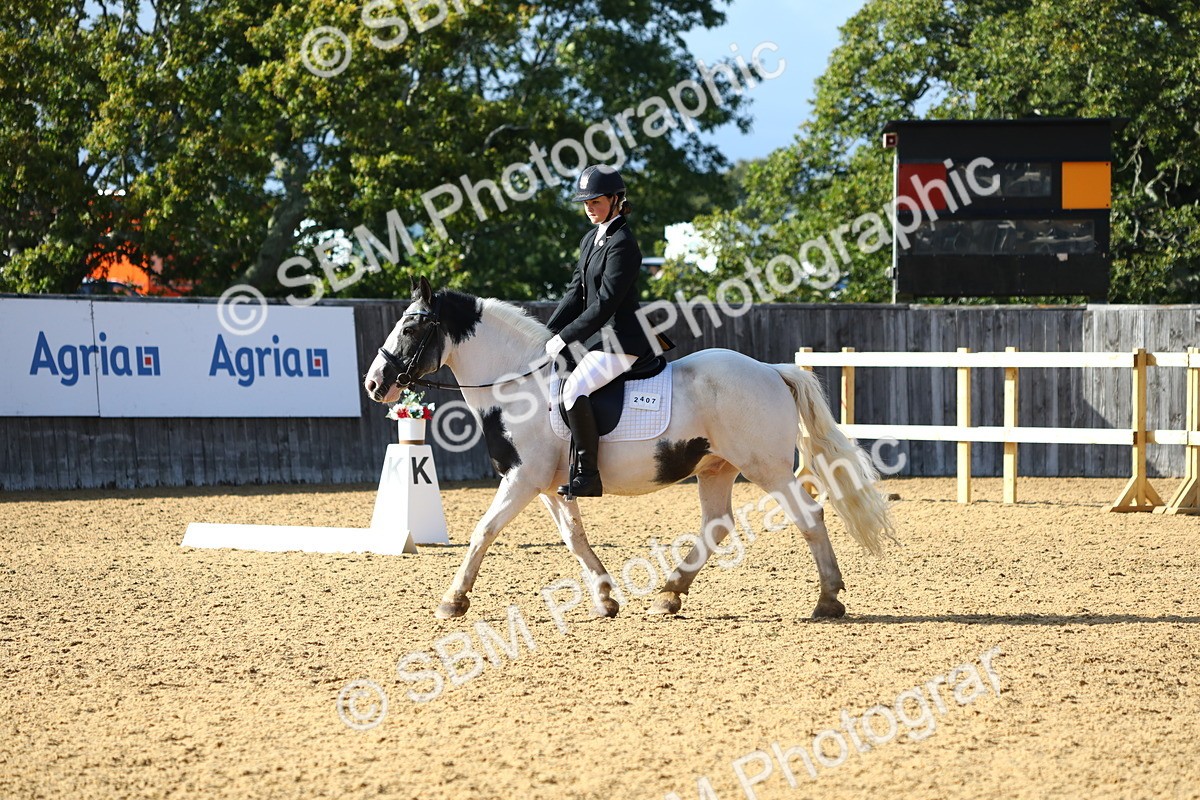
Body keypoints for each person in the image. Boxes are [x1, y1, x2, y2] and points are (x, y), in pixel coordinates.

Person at [544, 164, 653, 498]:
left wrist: (565, 337)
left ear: (617, 200)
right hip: (596, 339)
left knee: (573, 390)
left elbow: (605, 303)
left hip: (622, 338)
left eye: (597, 200)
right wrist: (548, 331)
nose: (589, 206)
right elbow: (576, 293)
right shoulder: (591, 238)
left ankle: (588, 475)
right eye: (586, 201)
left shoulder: (624, 244)